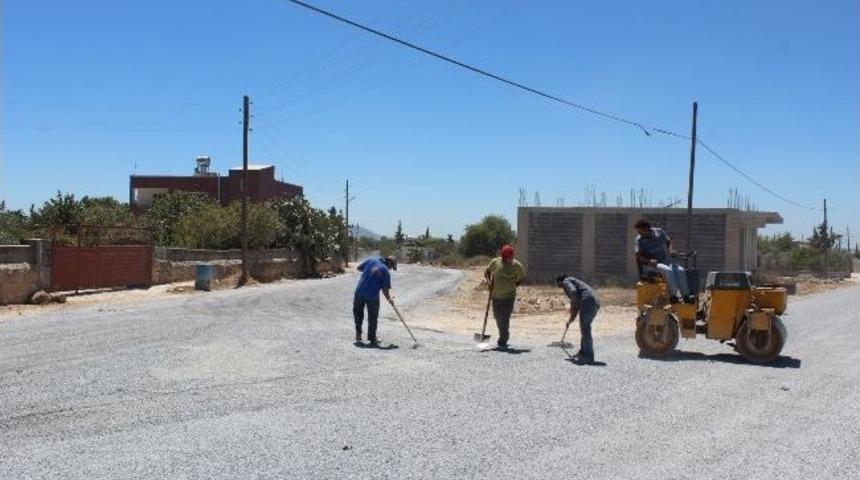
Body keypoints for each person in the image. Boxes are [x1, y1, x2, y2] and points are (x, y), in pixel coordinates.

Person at [633, 219, 690, 302]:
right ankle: (673, 296)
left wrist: (670, 250)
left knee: (680, 270)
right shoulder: (638, 240)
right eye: (639, 232)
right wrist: (649, 261)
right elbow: (638, 254)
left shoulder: (659, 231)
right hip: (652, 265)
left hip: (665, 261)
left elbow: (668, 241)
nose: (640, 233)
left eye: (641, 231)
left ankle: (686, 296)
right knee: (668, 271)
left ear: (647, 229)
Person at [484, 244, 526, 349]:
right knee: (497, 317)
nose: (506, 260)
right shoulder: (495, 262)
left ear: (512, 256)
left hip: (508, 297)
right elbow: (487, 272)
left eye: (508, 258)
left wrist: (514, 285)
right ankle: (504, 333)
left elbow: (522, 278)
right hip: (495, 295)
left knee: (504, 318)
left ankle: (503, 338)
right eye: (504, 258)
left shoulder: (517, 266)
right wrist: (489, 283)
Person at [556, 274, 600, 365]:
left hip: (587, 302)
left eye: (560, 286)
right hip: (594, 302)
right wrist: (570, 320)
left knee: (585, 329)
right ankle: (583, 352)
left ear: (560, 282)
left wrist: (572, 306)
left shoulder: (566, 281)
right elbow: (575, 306)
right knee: (584, 328)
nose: (562, 288)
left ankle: (588, 355)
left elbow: (572, 292)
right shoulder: (576, 283)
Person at [353, 256, 396, 345]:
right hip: (372, 296)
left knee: (358, 314)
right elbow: (385, 290)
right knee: (372, 317)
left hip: (359, 291)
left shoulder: (371, 260)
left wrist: (368, 272)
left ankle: (358, 335)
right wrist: (389, 299)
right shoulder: (385, 271)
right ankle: (372, 338)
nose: (391, 269)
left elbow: (358, 268)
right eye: (391, 267)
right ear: (389, 263)